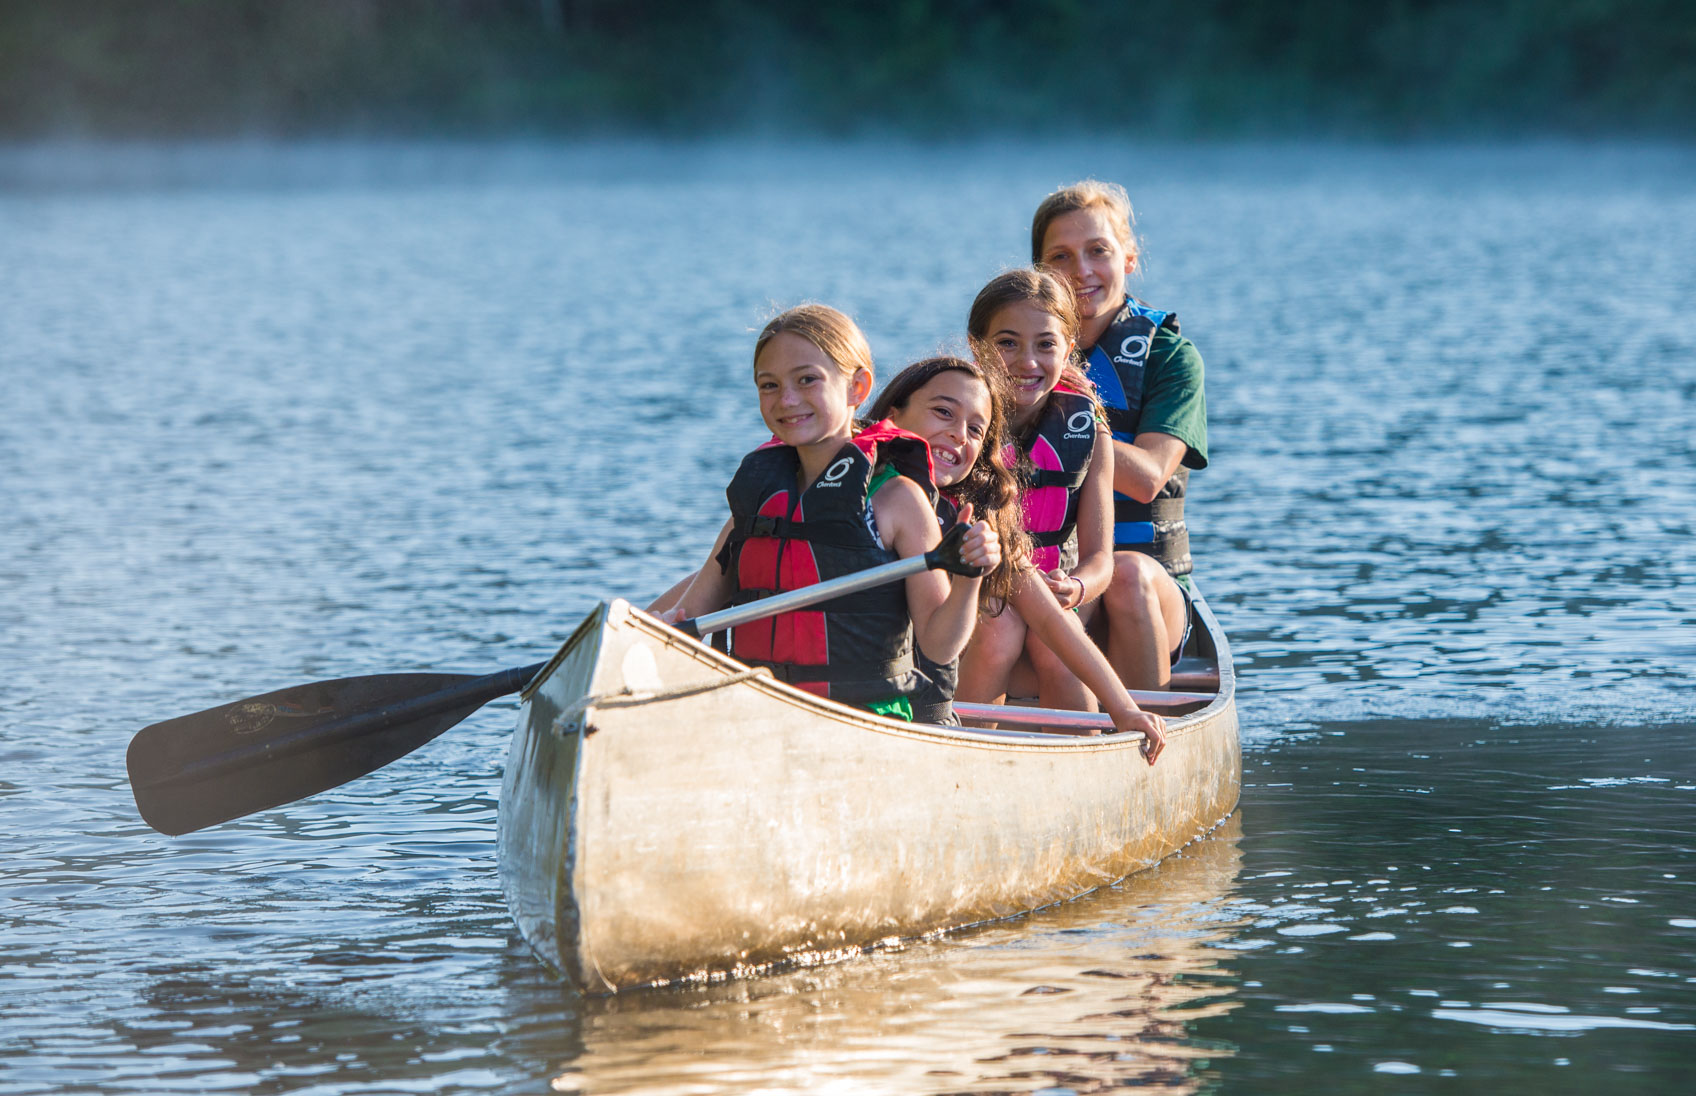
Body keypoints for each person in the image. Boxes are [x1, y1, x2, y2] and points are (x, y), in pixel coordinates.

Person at [660, 305, 999, 721]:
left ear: (857, 388)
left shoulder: (898, 500)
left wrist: (968, 580)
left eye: (807, 380)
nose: (786, 399)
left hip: (863, 722)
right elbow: (690, 618)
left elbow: (938, 644)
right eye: (769, 385)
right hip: (759, 713)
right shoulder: (757, 501)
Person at [866, 354, 1167, 759]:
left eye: (976, 429)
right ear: (892, 413)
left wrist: (1125, 708)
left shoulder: (978, 519)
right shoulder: (848, 484)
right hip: (854, 698)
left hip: (922, 707)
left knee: (1000, 615)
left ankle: (984, 756)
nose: (959, 434)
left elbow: (1050, 618)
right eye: (942, 412)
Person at [1032, 181, 1208, 690]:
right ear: (1039, 272)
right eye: (1060, 256)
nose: (1080, 271)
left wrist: (1064, 402)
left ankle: (1147, 738)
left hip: (1149, 584)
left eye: (1098, 252)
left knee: (1126, 576)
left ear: (1128, 258)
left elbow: (1149, 478)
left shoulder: (1172, 357)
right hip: (1057, 574)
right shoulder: (1017, 353)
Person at [958, 269, 1115, 718]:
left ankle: (1084, 765)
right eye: (1007, 343)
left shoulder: (1089, 431)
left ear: (1069, 348)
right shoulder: (957, 422)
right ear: (976, 345)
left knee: (1056, 645)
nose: (1027, 362)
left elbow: (1101, 560)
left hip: (1054, 587)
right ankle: (966, 757)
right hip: (977, 594)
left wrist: (1076, 587)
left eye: (1046, 344)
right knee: (999, 630)